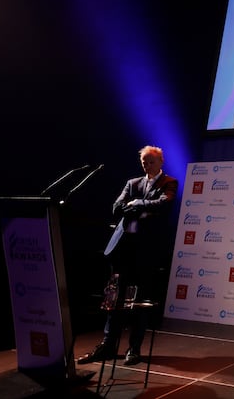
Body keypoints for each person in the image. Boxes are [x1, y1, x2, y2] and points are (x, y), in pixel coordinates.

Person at [77, 145, 178, 366]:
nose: (147, 165)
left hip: (146, 250)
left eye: (151, 161)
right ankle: (108, 345)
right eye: (144, 162)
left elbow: (164, 204)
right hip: (123, 249)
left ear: (160, 162)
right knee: (114, 299)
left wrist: (137, 204)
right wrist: (139, 208)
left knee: (140, 300)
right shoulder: (132, 183)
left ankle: (134, 348)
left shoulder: (169, 183)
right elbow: (116, 207)